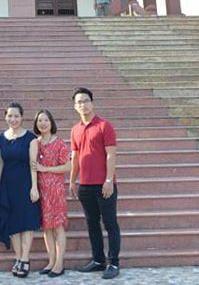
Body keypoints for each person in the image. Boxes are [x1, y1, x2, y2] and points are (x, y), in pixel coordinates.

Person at [68, 88, 120, 280]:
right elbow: (75, 157)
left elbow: (111, 154)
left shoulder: (104, 126)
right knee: (92, 224)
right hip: (85, 186)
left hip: (103, 185)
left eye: (86, 100)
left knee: (110, 223)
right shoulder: (75, 129)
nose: (83, 104)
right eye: (79, 102)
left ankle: (113, 263)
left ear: (92, 103)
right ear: (75, 106)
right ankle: (98, 260)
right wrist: (73, 180)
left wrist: (109, 180)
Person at [0, 102, 41, 278]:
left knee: (27, 221)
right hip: (8, 184)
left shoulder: (30, 138)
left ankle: (25, 258)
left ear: (22, 117)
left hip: (26, 183)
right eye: (10, 116)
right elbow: (0, 164)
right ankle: (18, 258)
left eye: (16, 116)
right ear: (5, 117)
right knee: (12, 222)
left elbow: (33, 164)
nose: (13, 119)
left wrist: (34, 187)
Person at [29, 109, 70, 278]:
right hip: (42, 190)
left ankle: (60, 263)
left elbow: (68, 166)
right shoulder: (35, 143)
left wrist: (45, 169)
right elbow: (32, 166)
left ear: (51, 122)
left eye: (46, 120)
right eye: (40, 121)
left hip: (56, 189)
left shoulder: (59, 142)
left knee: (58, 227)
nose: (43, 123)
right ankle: (51, 261)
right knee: (47, 228)